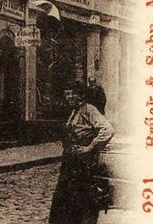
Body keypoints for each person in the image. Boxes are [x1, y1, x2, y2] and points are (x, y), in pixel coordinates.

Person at [49, 81, 116, 224]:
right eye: (66, 94)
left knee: (81, 201)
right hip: (70, 163)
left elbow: (108, 130)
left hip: (82, 164)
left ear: (80, 95)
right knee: (64, 200)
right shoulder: (75, 111)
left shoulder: (89, 110)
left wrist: (90, 147)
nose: (69, 97)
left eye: (72, 93)